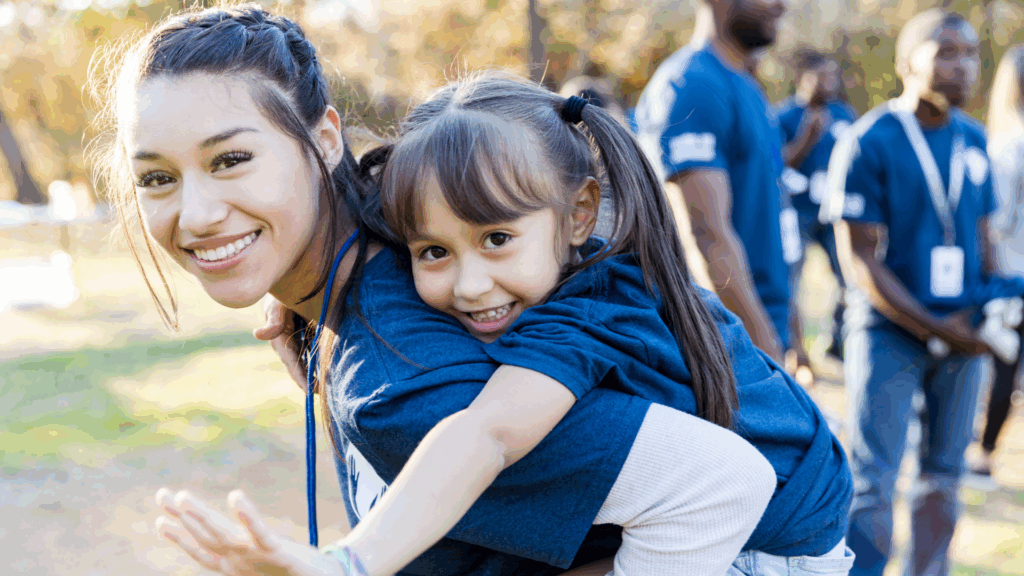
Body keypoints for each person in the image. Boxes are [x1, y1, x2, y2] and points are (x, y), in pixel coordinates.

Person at [88, 4, 781, 576]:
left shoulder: (401, 378)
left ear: (325, 138)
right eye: (157, 178)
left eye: (231, 159)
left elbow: (707, 496)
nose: (199, 213)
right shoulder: (394, 250)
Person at [822, 9, 1024, 576]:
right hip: (889, 330)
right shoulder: (869, 140)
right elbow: (859, 261)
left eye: (970, 54)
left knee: (944, 476)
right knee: (872, 479)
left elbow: (982, 243)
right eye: (947, 52)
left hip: (961, 330)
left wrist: (989, 314)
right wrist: (937, 328)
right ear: (907, 61)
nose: (963, 66)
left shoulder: (974, 138)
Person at [634, 0, 797, 364]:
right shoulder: (693, 84)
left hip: (763, 332)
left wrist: (791, 335)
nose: (782, 5)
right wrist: (765, 357)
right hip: (727, 348)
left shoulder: (746, 85)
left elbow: (769, 219)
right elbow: (707, 237)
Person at [776, 49, 859, 374]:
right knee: (791, 280)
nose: (828, 83)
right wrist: (805, 140)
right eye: (820, 76)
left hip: (835, 213)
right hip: (797, 213)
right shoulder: (783, 116)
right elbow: (776, 165)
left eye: (832, 76)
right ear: (802, 78)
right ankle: (794, 350)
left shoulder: (845, 115)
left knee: (849, 276)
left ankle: (838, 342)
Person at [971, 45, 1024, 480]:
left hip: (1010, 276)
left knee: (1000, 365)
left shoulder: (1009, 145)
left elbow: (997, 220)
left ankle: (984, 456)